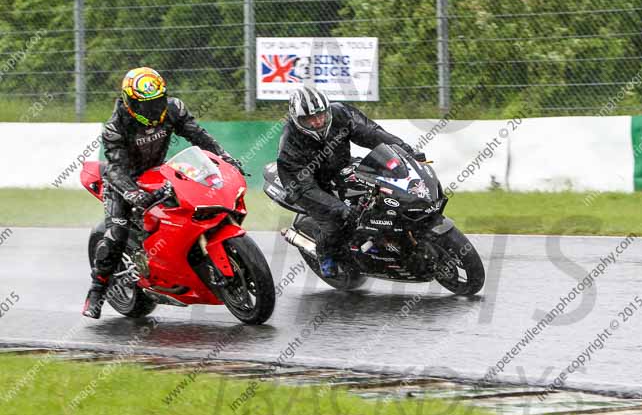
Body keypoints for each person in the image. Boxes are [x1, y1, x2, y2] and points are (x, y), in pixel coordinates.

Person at [82, 67, 245, 318]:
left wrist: (223, 156)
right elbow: (115, 169)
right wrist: (133, 193)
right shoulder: (116, 127)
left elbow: (198, 136)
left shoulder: (174, 109)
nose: (154, 109)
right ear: (130, 102)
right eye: (146, 105)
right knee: (117, 232)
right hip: (124, 182)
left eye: (157, 102)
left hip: (160, 170)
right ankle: (97, 292)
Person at [277, 85, 425, 278]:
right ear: (298, 120)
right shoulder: (290, 145)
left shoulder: (340, 113)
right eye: (310, 119)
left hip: (343, 166)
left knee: (383, 185)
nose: (318, 122)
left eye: (321, 115)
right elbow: (303, 188)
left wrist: (405, 149)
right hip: (309, 186)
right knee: (337, 219)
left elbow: (372, 133)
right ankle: (325, 253)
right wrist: (339, 208)